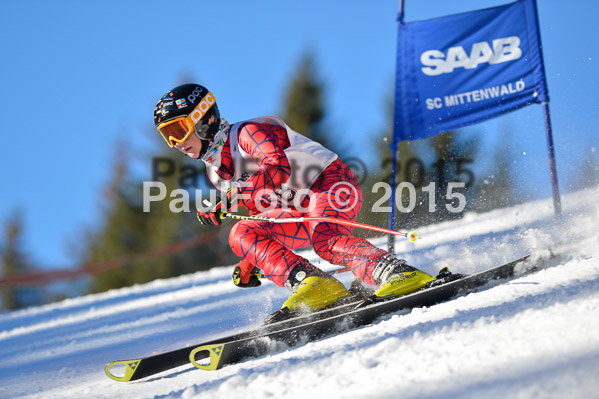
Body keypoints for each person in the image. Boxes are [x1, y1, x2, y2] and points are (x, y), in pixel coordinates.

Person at [153, 83, 438, 316]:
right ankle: (315, 284)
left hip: (330, 184)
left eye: (178, 130)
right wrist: (251, 262)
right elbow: (257, 212)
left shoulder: (247, 134)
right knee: (241, 232)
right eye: (168, 137)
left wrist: (232, 199)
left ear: (203, 119)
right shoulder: (216, 173)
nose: (176, 143)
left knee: (326, 239)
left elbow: (277, 166)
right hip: (296, 211)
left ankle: (398, 273)